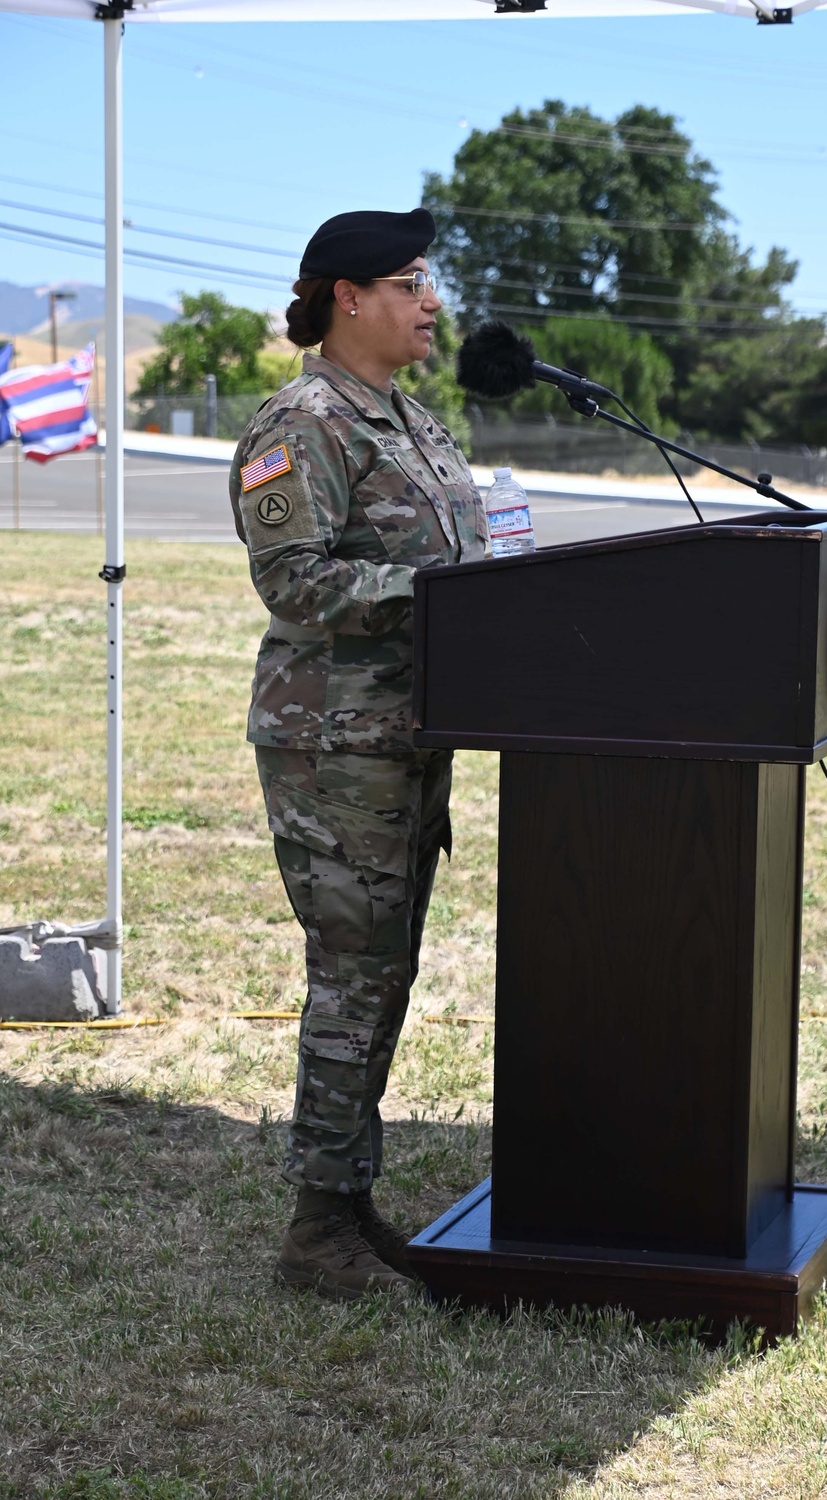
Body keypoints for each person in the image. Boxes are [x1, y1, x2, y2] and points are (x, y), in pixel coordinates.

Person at [229, 208, 487, 1300]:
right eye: (409, 281)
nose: (430, 302)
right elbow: (296, 583)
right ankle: (315, 1233)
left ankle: (344, 1200)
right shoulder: (300, 423)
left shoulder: (410, 420)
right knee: (352, 973)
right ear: (346, 296)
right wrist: (449, 596)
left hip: (405, 733)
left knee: (382, 972)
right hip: (334, 741)